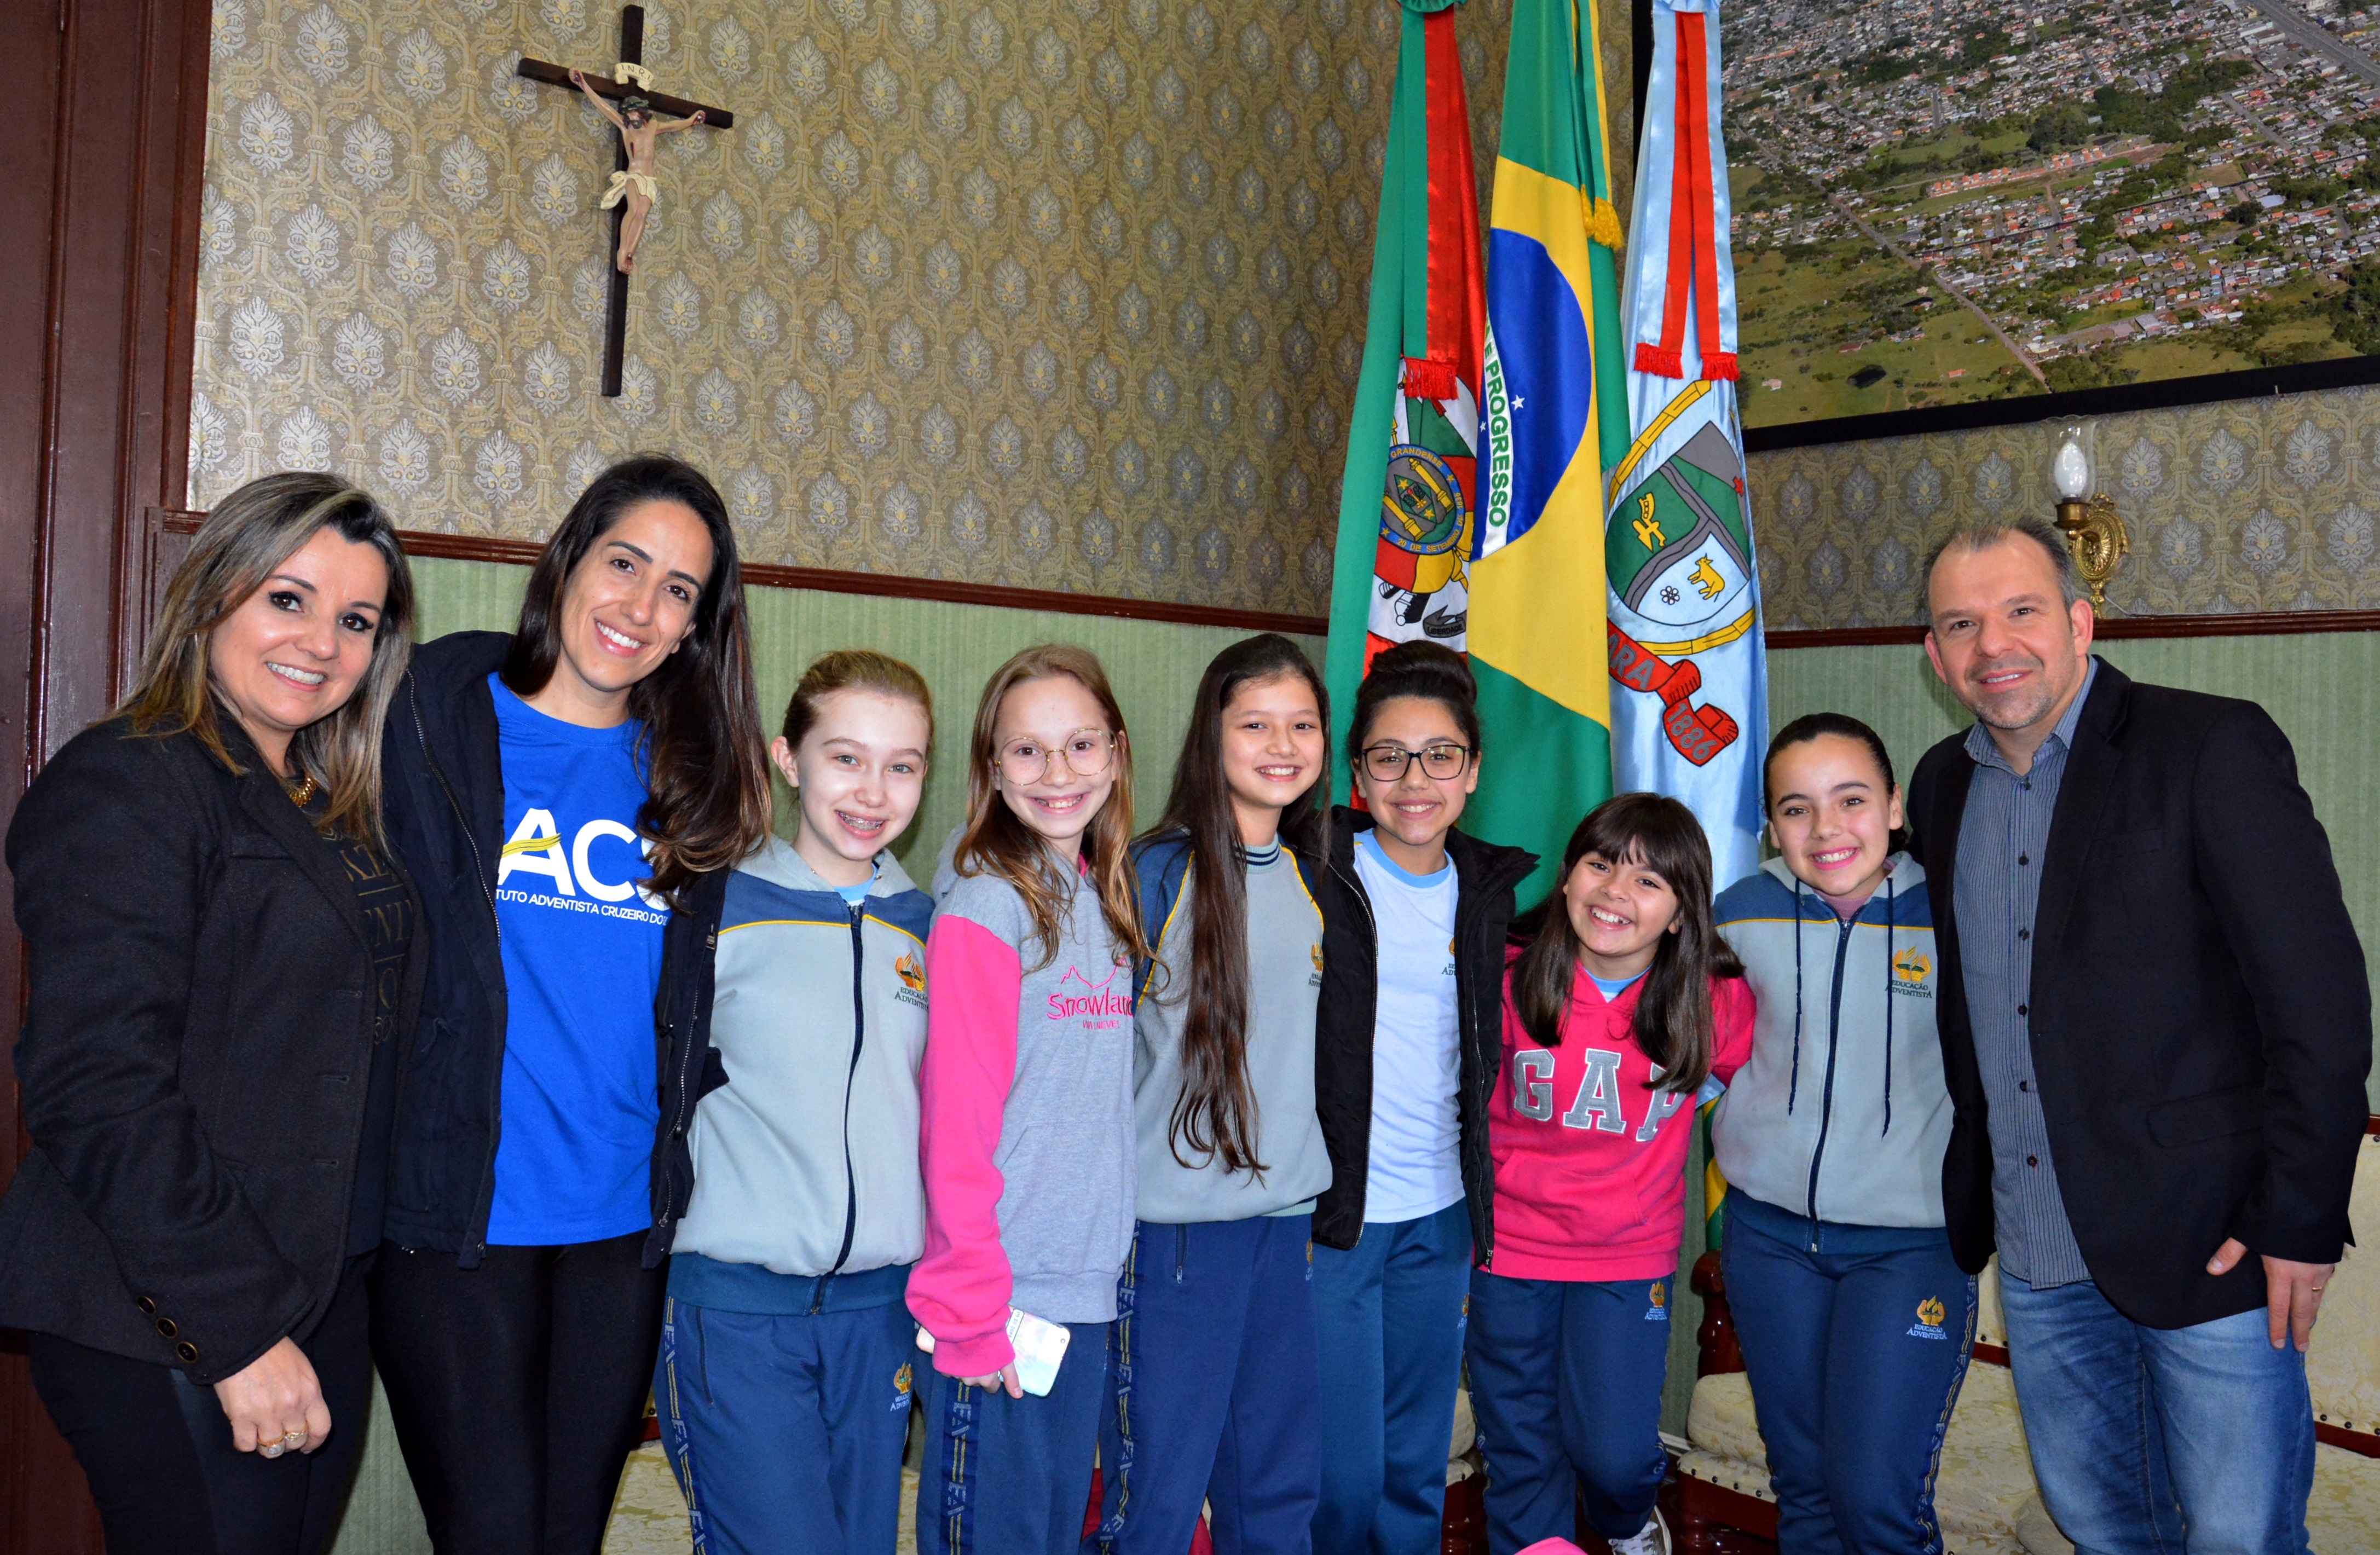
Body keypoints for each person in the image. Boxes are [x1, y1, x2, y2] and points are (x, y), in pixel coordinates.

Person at [1909, 516, 2372, 1554]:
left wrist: (2298, 1216)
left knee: (2237, 1535)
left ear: (2079, 619)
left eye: (2020, 611)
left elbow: (2320, 1006)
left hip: (2210, 1247)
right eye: (1961, 624)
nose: (1994, 646)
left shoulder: (2208, 745)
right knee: (2102, 1527)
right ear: (1934, 657)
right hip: (2034, 1249)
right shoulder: (1939, 785)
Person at [0, 473, 416, 1553]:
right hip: (177, 1313)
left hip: (317, 1289)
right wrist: (237, 1334)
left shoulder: (326, 804)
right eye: (289, 598)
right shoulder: (131, 781)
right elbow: (98, 1084)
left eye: (356, 619)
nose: (321, 643)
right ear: (213, 596)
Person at [370, 455, 772, 1552]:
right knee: (491, 1534)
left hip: (619, 1223)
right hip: (457, 1217)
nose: (641, 607)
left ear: (696, 624)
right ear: (570, 560)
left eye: (679, 590)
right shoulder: (433, 711)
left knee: (567, 1535)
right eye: (625, 563)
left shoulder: (697, 771)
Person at [650, 651, 937, 1555]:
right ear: (787, 758)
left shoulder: (932, 926)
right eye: (845, 757)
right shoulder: (712, 906)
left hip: (877, 1317)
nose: (873, 792)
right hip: (734, 1309)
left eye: (902, 765)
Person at [1089, 634, 1336, 1555]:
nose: (1282, 743)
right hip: (1173, 1238)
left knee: (1275, 1489)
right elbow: (1091, 1060)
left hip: (1282, 1231)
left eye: (1302, 724)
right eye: (1256, 724)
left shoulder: (1317, 875)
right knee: (1152, 1495)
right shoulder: (1153, 872)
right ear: (1212, 736)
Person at [909, 644, 1152, 1555]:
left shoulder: (1094, 895)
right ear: (990, 769)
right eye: (1027, 751)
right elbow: (954, 1125)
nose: (1057, 774)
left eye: (1080, 745)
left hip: (1078, 1292)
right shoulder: (983, 904)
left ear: (1118, 754)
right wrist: (971, 1310)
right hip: (999, 1305)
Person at [1467, 794, 1754, 1555]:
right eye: (1600, 864)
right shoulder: (1503, 979)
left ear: (1683, 913)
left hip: (1626, 1263)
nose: (1616, 892)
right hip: (1507, 1254)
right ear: (1566, 879)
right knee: (1521, 1453)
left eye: (1650, 881)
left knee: (1616, 1454)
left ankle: (1630, 1526)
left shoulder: (1714, 1002)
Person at [1711, 715, 1969, 1555]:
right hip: (1768, 1238)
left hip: (1909, 1246)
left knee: (1874, 1503)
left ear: (1894, 806)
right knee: (1807, 1491)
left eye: (1851, 800)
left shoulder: (1961, 913)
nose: (1826, 830)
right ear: (1772, 824)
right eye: (1796, 808)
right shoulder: (1739, 914)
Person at [1310, 641, 1538, 1555]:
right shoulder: (1314, 870)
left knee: (1415, 1466)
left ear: (1473, 770)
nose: (1415, 779)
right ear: (1357, 774)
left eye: (1440, 755)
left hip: (1438, 1216)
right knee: (1342, 1472)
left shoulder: (1490, 889)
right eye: (1387, 757)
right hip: (1332, 1220)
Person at [570, 67, 705, 273]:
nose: (632, 116)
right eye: (629, 113)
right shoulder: (626, 129)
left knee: (642, 215)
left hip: (650, 179)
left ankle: (631, 252)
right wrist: (583, 84)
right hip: (633, 176)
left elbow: (675, 126)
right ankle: (622, 250)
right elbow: (603, 107)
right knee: (634, 210)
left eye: (635, 112)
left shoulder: (653, 127)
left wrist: (691, 121)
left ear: (642, 112)